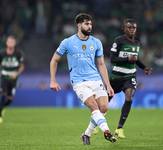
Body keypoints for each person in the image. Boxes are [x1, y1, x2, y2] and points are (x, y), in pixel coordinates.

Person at [50, 13, 117, 145]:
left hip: (96, 79)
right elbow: (54, 61)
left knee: (103, 108)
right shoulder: (67, 42)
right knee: (93, 106)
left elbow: (102, 64)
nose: (89, 26)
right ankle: (107, 131)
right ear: (79, 25)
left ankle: (86, 135)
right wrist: (53, 80)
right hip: (79, 82)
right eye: (86, 24)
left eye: (90, 24)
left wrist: (108, 85)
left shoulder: (96, 42)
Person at [93, 19, 152, 138]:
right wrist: (127, 59)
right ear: (124, 28)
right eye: (129, 27)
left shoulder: (137, 42)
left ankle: (119, 128)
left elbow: (135, 58)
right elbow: (112, 59)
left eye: (134, 28)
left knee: (129, 98)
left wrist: (143, 67)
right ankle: (95, 124)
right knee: (105, 102)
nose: (132, 30)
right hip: (116, 76)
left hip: (130, 76)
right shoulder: (119, 41)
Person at [0, 35, 25, 123]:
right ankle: (0, 115)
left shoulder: (18, 54)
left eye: (12, 42)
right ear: (6, 43)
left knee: (10, 100)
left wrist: (16, 73)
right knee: (3, 94)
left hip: (13, 80)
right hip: (4, 78)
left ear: (15, 44)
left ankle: (2, 107)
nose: (11, 43)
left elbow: (22, 66)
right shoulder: (2, 53)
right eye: (9, 42)